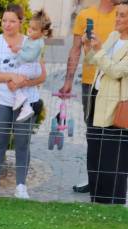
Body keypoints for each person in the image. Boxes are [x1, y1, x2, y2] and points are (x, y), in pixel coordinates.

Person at [0, 4, 46, 200]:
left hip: (27, 101)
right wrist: (10, 77)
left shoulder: (31, 42)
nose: (7, 25)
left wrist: (23, 82)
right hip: (0, 100)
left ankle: (21, 186)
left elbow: (42, 76)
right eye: (4, 21)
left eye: (12, 21)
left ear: (21, 22)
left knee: (22, 142)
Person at [60, 0, 118, 193]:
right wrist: (68, 80)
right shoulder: (85, 15)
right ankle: (93, 178)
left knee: (116, 129)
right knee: (92, 130)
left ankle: (114, 179)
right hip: (90, 82)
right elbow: (76, 49)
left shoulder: (123, 14)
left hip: (116, 83)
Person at [84, 0, 128, 204]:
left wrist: (100, 50)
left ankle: (114, 205)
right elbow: (95, 61)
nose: (117, 19)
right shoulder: (113, 36)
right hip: (96, 103)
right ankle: (96, 201)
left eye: (122, 15)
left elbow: (116, 71)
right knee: (94, 157)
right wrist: (89, 47)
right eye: (117, 14)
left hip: (115, 109)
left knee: (113, 162)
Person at [9, 11, 50, 122]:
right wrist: (19, 48)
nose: (30, 30)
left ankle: (21, 99)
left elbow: (29, 57)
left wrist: (18, 51)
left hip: (32, 67)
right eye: (30, 27)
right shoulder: (31, 40)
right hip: (30, 67)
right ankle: (26, 107)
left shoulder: (38, 43)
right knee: (21, 85)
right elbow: (25, 49)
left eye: (34, 29)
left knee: (12, 77)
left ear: (43, 32)